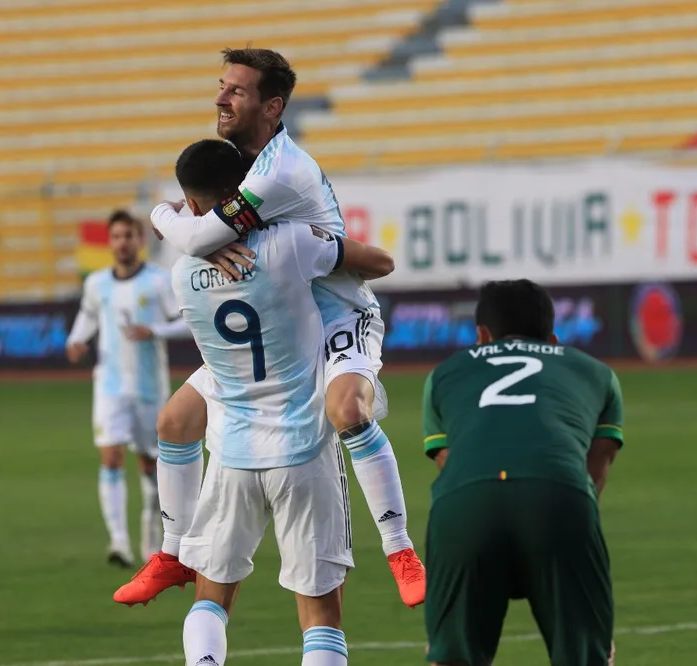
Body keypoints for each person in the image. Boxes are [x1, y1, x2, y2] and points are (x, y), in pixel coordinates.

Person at [116, 46, 425, 610]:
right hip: (281, 317)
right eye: (222, 86)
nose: (220, 98)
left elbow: (188, 231)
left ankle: (400, 548)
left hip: (336, 312)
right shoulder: (236, 159)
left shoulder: (280, 171)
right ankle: (173, 553)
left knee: (347, 410)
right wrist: (194, 231)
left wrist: (185, 229)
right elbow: (192, 220)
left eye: (235, 90)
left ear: (272, 106)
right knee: (176, 420)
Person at [129, 138, 395, 666]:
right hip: (302, 448)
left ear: (194, 205)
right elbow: (378, 262)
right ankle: (400, 544)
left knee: (210, 600)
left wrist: (177, 225)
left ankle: (173, 559)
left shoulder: (183, 273)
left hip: (231, 452)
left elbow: (191, 231)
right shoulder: (291, 243)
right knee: (321, 618)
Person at [422, 279, 622, 666]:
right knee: (587, 656)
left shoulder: (443, 374)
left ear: (481, 336)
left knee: (454, 659)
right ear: (553, 339)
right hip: (559, 497)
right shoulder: (598, 373)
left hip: (464, 503)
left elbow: (449, 460)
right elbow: (594, 471)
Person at [66, 209, 193, 568]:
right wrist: (76, 339)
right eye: (117, 236)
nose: (122, 243)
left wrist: (154, 331)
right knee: (110, 457)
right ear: (110, 242)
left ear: (141, 240)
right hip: (109, 386)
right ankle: (118, 541)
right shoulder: (97, 284)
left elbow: (186, 322)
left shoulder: (159, 281)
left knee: (151, 464)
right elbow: (89, 314)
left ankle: (150, 537)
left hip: (149, 386)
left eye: (129, 236)